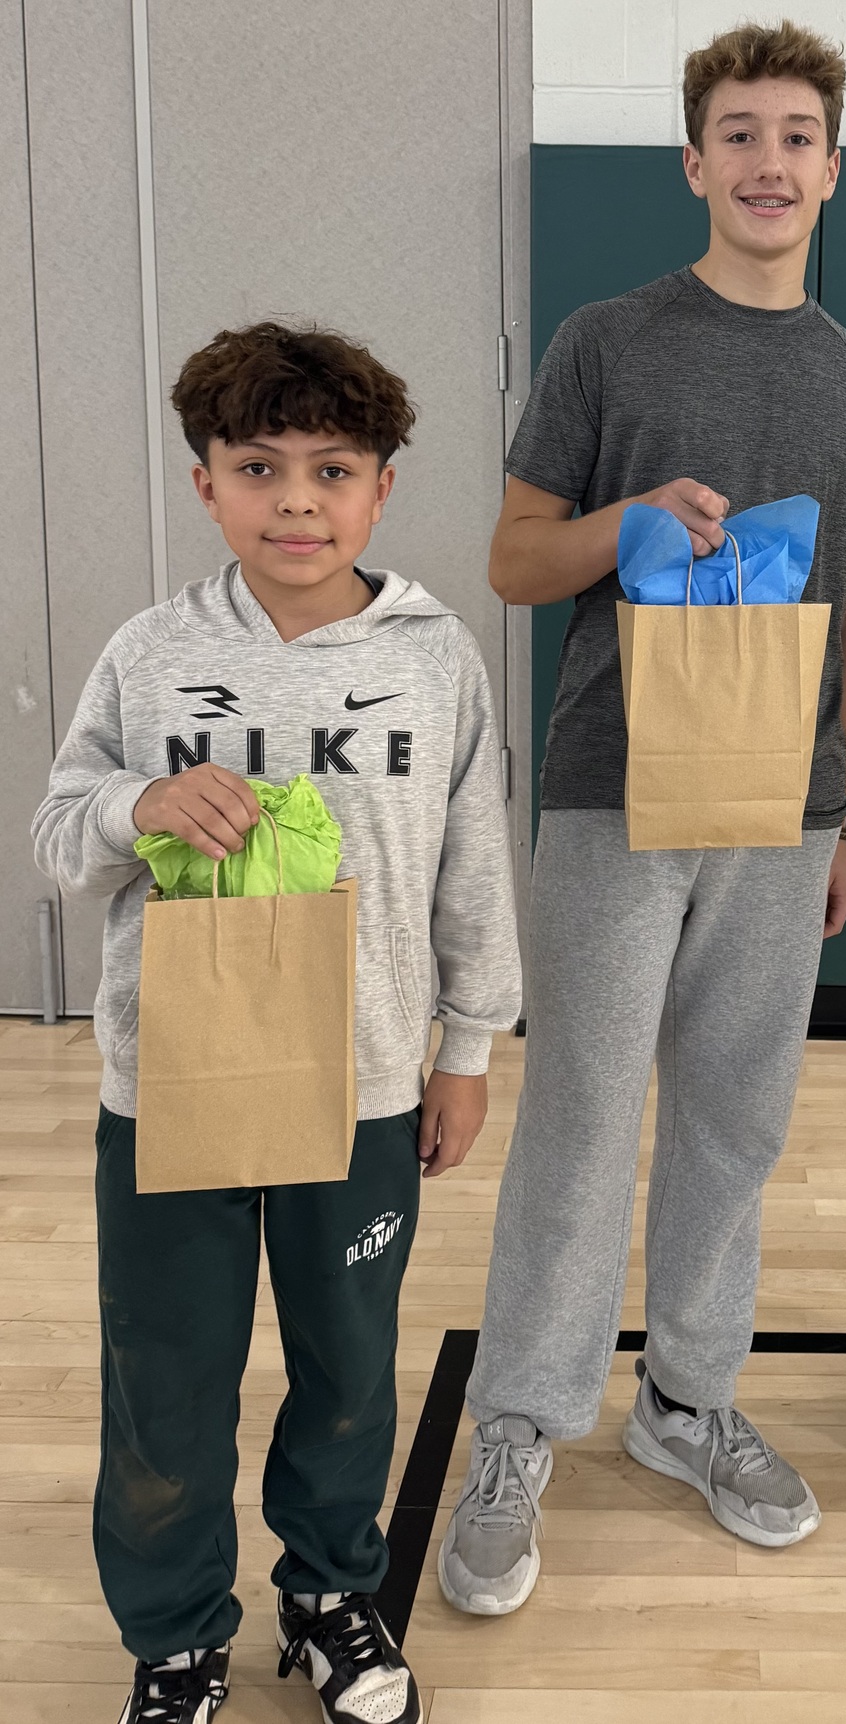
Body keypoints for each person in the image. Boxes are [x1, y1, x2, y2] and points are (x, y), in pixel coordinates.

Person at [439, 20, 846, 1616]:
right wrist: (623, 521)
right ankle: (516, 1423)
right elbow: (511, 562)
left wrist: (831, 803)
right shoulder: (606, 343)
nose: (769, 161)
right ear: (692, 162)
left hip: (780, 820)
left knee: (735, 1117)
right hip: (613, 791)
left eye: (796, 135)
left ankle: (688, 1401)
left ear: (833, 170)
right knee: (579, 1118)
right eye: (739, 131)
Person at [32, 321, 521, 1724]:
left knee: (349, 1363)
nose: (296, 502)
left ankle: (330, 1595)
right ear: (206, 486)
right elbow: (60, 838)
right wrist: (137, 804)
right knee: (167, 1372)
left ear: (381, 490)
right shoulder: (150, 654)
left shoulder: (439, 662)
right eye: (259, 467)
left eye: (332, 469)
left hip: (363, 1082)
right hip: (171, 1085)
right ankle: (177, 1634)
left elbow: (470, 870)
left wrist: (470, 1052)